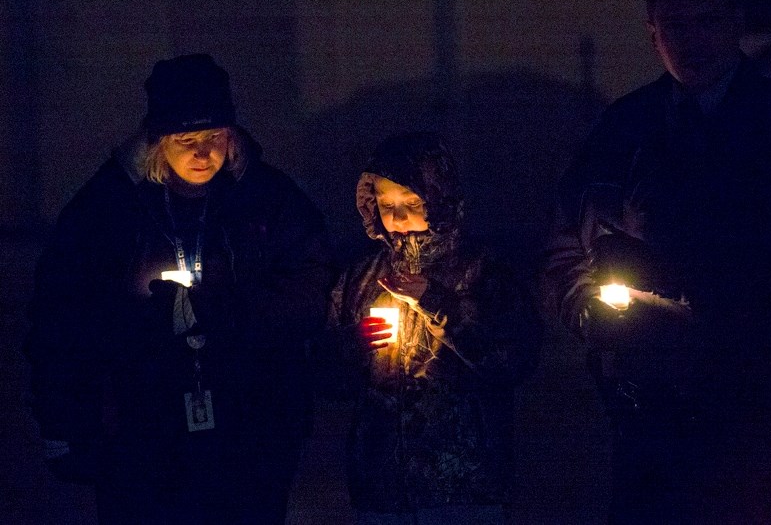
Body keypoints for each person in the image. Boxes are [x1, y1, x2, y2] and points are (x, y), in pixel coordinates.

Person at [25, 54, 332, 524]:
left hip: (250, 427)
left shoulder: (266, 198)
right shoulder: (110, 206)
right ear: (158, 141)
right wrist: (63, 420)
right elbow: (60, 313)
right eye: (186, 140)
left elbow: (311, 284)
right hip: (142, 429)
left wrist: (231, 311)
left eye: (213, 137)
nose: (202, 153)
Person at [546, 0, 771, 522]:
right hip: (645, 412)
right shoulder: (626, 127)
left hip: (753, 412)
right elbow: (566, 237)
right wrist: (589, 313)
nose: (691, 41)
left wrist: (677, 283)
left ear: (735, 20)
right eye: (675, 26)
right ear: (652, 31)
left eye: (707, 22)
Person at [318, 132, 539, 525]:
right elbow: (327, 376)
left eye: (413, 203)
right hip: (382, 487)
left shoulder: (483, 271)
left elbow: (514, 359)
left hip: (465, 484)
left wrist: (442, 306)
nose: (398, 217)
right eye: (387, 204)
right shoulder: (362, 276)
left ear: (440, 200)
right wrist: (352, 347)